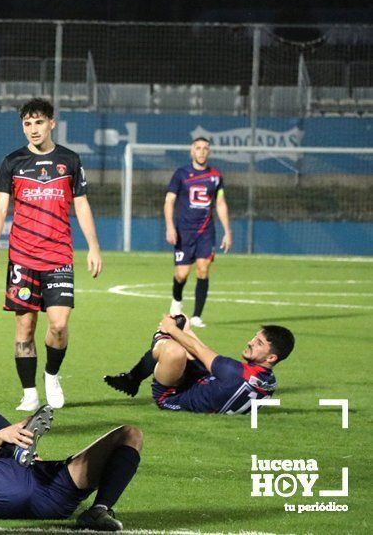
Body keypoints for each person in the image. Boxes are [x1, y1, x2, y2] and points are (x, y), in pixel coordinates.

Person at [0, 98, 103, 412]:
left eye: (38, 122)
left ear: (52, 123)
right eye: (27, 123)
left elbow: (81, 205)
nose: (33, 129)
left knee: (59, 325)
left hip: (59, 255)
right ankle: (29, 393)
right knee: (25, 328)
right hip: (23, 256)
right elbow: (0, 205)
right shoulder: (13, 161)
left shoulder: (70, 160)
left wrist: (93, 246)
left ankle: (51, 375)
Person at [0, 398, 142, 531]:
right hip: (4, 488)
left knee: (130, 435)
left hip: (50, 496)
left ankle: (99, 509)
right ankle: (21, 442)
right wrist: (2, 435)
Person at [103, 315, 294, 414]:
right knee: (184, 326)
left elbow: (197, 348)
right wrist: (186, 328)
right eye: (255, 337)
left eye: (259, 343)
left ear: (271, 358)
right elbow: (201, 351)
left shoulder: (234, 372)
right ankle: (132, 379)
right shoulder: (268, 381)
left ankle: (133, 379)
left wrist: (168, 328)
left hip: (172, 397)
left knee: (172, 347)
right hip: (205, 382)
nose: (250, 342)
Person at [165, 137, 232, 328]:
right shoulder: (181, 174)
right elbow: (169, 200)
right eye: (198, 148)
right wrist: (170, 226)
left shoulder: (216, 177)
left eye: (205, 148)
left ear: (209, 152)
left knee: (203, 269)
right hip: (184, 231)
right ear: (192, 152)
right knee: (182, 274)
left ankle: (196, 316)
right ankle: (176, 301)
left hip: (205, 231)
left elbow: (220, 203)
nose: (202, 151)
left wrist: (227, 231)